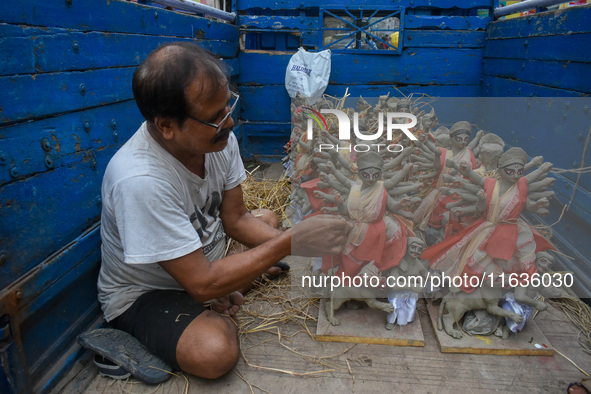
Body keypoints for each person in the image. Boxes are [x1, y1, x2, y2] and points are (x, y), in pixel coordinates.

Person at [97, 42, 349, 379]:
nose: (229, 122)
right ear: (167, 126)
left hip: (204, 257)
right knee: (215, 352)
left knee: (266, 222)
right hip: (147, 292)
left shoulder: (217, 139)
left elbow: (237, 218)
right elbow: (200, 283)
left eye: (228, 106)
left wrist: (309, 244)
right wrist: (288, 243)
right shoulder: (140, 180)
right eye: (216, 118)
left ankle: (223, 291)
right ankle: (171, 325)